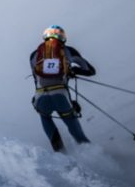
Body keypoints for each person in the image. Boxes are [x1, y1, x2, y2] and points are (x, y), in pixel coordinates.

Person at [30, 24, 96, 152]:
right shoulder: (69, 50)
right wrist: (74, 70)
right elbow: (90, 71)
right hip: (61, 95)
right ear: (63, 37)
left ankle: (60, 152)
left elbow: (36, 79)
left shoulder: (34, 55)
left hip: (41, 95)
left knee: (45, 116)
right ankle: (90, 151)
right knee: (70, 119)